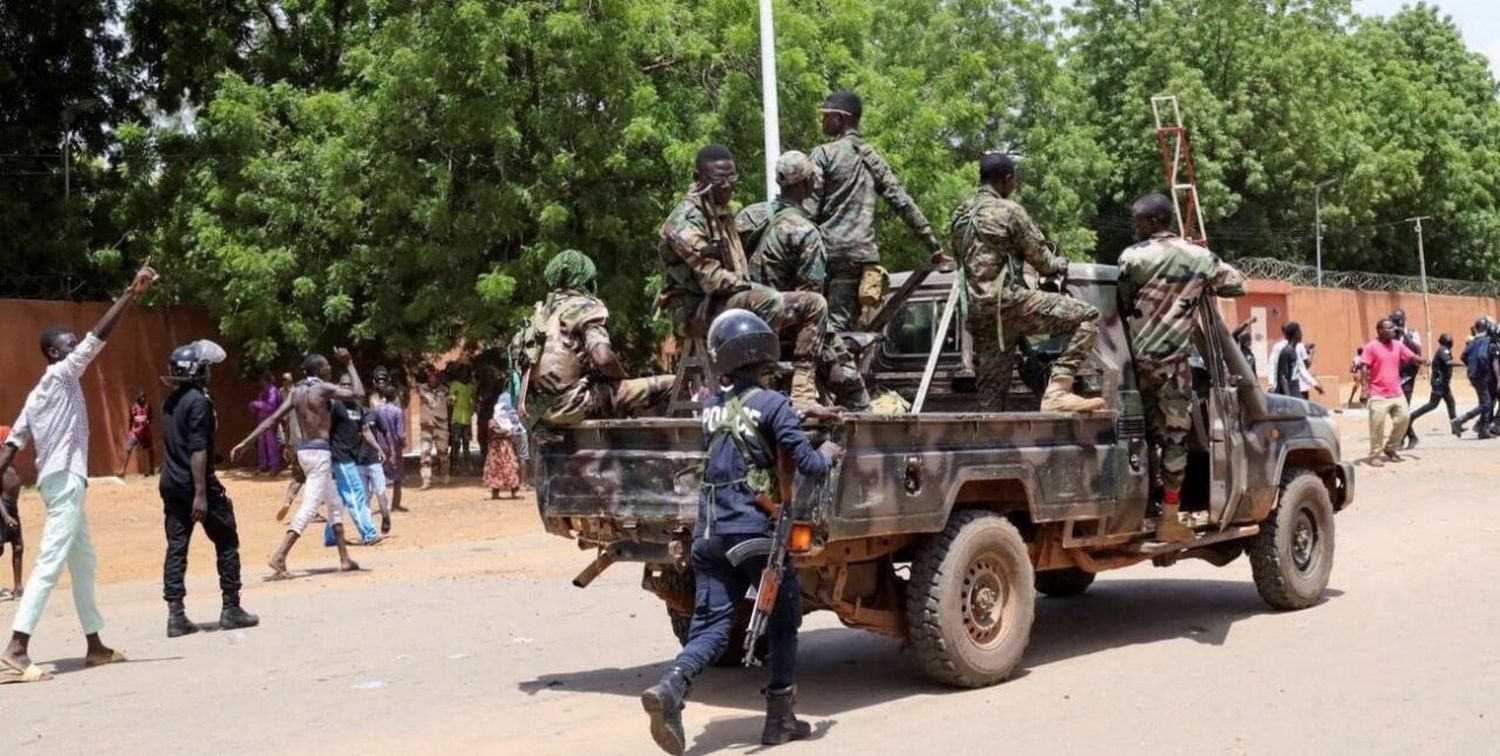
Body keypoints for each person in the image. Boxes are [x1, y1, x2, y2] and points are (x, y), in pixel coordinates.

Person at [640, 309, 842, 755]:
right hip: (754, 533)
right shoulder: (772, 405)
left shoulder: (711, 406)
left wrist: (801, 410)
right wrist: (828, 450)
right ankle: (779, 720)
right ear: (762, 351)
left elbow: (745, 415)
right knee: (785, 619)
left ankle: (672, 688)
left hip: (709, 533)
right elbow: (808, 465)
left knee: (712, 625)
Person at [0, 266, 156, 683]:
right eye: (69, 345)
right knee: (49, 563)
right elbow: (97, 339)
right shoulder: (60, 373)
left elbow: (12, 443)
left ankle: (95, 646)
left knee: (83, 563)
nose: (77, 349)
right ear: (54, 354)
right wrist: (129, 294)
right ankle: (16, 648)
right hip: (66, 480)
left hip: (59, 483)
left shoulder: (36, 396)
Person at [657, 146, 831, 406]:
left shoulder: (721, 212)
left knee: (814, 303)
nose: (727, 186)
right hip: (696, 311)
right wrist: (754, 287)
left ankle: (803, 394)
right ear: (698, 178)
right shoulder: (685, 220)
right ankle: (760, 388)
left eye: (732, 179)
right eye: (719, 179)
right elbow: (714, 280)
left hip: (723, 303)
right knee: (768, 300)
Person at [1117, 194, 1245, 542]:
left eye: (1139, 222)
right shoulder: (1198, 257)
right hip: (1173, 365)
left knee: (1138, 437)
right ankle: (1171, 517)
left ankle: (1141, 506)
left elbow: (1124, 300)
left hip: (1134, 363)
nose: (1135, 228)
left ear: (1154, 222)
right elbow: (1236, 284)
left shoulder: (1132, 257)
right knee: (1175, 439)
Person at [950, 153, 1104, 412]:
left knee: (991, 398)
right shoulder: (1010, 211)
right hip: (1010, 304)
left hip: (980, 314)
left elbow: (962, 262)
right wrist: (1060, 264)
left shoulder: (960, 216)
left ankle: (990, 445)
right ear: (1008, 180)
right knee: (1087, 316)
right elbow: (1043, 262)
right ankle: (1058, 390)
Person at [810, 90, 949, 330]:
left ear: (841, 118)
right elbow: (903, 203)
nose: (823, 121)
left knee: (831, 330)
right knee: (852, 328)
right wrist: (934, 246)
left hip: (830, 255)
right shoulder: (872, 158)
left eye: (826, 115)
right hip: (863, 259)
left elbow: (808, 208)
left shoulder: (824, 155)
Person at [231, 349, 365, 577]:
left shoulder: (296, 392)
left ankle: (344, 558)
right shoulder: (323, 388)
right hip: (320, 453)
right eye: (326, 366)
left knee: (333, 501)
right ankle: (280, 556)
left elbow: (273, 419)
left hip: (304, 453)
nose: (329, 369)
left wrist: (246, 442)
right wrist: (349, 363)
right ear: (318, 369)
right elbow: (358, 393)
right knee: (310, 506)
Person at [158, 340, 260, 638]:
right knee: (227, 540)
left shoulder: (170, 401)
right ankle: (231, 609)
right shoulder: (199, 402)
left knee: (176, 548)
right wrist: (201, 494)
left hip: (171, 483)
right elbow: (198, 449)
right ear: (198, 372)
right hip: (195, 486)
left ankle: (176, 616)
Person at [524, 249, 673, 425]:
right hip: (573, 406)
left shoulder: (539, 316)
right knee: (673, 383)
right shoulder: (585, 306)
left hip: (538, 413)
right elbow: (603, 358)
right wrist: (621, 378)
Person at [1360, 318, 1426, 465]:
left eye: (1393, 328)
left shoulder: (1397, 345)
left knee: (1404, 418)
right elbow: (1364, 367)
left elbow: (1411, 356)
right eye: (1389, 328)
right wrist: (1364, 390)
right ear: (1379, 330)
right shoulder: (1371, 347)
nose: (1393, 331)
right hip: (1378, 393)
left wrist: (1422, 360)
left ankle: (1390, 447)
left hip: (1396, 392)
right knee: (1377, 425)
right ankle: (1374, 455)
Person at [330, 373, 382, 545]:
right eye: (343, 385)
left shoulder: (357, 407)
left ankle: (331, 536)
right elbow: (325, 430)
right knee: (357, 493)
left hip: (351, 457)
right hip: (340, 457)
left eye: (349, 385)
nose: (346, 388)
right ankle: (368, 533)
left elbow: (365, 430)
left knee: (341, 498)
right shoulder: (335, 406)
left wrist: (378, 447)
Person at [1409, 333, 1456, 435]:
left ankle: (1455, 427)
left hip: (1443, 383)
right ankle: (1412, 416)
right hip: (1439, 383)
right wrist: (1462, 364)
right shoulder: (1443, 350)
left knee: (1451, 403)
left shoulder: (1444, 349)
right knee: (1432, 404)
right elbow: (1448, 362)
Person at [1454, 318, 1494, 438]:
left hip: (1473, 375)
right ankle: (1461, 420)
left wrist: (1471, 366)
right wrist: (1485, 368)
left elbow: (1463, 356)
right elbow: (1482, 356)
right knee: (1486, 403)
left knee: (1485, 401)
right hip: (1482, 374)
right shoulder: (1486, 341)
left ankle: (1483, 430)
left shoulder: (1473, 342)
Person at [1390, 309, 1424, 448]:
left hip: (1408, 376)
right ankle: (1409, 436)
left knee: (1403, 407)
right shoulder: (1390, 334)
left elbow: (1417, 350)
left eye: (1398, 320)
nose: (1396, 322)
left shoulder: (1412, 333)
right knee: (1396, 409)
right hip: (1394, 375)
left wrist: (1404, 336)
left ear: (1404, 319)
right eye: (1394, 320)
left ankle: (1402, 439)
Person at [373, 384, 408, 512]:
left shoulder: (377, 410)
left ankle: (382, 505)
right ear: (395, 396)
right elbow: (400, 433)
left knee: (380, 475)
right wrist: (403, 442)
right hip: (395, 446)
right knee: (398, 476)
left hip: (381, 446)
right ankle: (395, 504)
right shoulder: (397, 411)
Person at [417, 365, 452, 490]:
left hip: (441, 426)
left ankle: (445, 474)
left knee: (443, 452)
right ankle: (426, 479)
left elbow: (451, 402)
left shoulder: (444, 390)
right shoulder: (422, 389)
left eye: (434, 377)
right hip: (427, 426)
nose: (432, 379)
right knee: (425, 452)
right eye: (430, 377)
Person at [483, 394, 522, 499]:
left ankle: (514, 491)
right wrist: (507, 432)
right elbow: (496, 431)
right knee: (496, 470)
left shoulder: (509, 421)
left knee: (512, 468)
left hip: (507, 450)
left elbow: (515, 431)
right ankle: (495, 493)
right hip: (496, 451)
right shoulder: (493, 422)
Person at [0, 427, 22, 602]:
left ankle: (18, 586)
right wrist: (6, 517)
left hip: (12, 506)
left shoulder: (8, 464)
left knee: (18, 546)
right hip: (2, 509)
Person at [248, 375, 283, 474]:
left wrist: (256, 404)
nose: (260, 382)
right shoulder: (263, 391)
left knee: (271, 443)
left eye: (262, 380)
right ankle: (263, 465)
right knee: (262, 444)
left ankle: (275, 466)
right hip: (262, 420)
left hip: (270, 420)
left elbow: (271, 406)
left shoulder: (272, 390)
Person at [119, 390, 156, 477]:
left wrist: (147, 422)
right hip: (135, 432)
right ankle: (122, 471)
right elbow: (131, 420)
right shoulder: (133, 408)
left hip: (146, 432)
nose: (143, 399)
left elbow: (150, 418)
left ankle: (151, 470)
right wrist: (130, 431)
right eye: (141, 397)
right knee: (128, 449)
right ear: (137, 398)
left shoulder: (147, 407)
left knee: (150, 450)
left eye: (144, 397)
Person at [448, 365, 475, 474]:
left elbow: (473, 399)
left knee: (466, 443)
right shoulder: (455, 385)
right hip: (456, 419)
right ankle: (454, 466)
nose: (464, 375)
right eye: (462, 372)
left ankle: (467, 466)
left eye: (466, 373)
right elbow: (450, 402)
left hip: (467, 419)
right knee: (455, 443)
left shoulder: (471, 387)